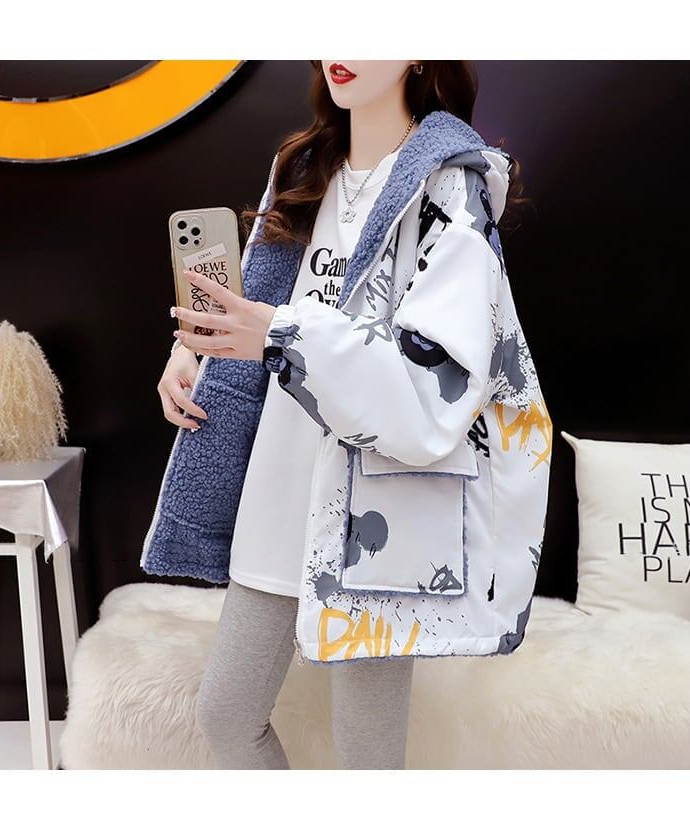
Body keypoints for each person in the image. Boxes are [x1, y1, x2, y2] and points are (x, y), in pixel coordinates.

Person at [149, 60, 552, 770]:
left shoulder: (449, 186)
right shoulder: (303, 169)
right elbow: (260, 308)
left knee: (367, 757)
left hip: (378, 519)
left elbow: (436, 378)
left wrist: (280, 333)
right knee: (226, 715)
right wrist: (194, 353)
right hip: (276, 492)